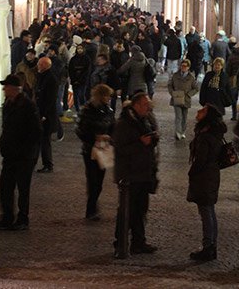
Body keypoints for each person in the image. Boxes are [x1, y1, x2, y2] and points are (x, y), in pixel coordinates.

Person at [113, 92, 159, 259]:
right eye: (146, 106)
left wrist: (153, 139)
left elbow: (148, 138)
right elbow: (120, 149)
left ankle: (139, 242)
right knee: (126, 211)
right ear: (137, 105)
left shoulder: (144, 119)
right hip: (130, 174)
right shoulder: (124, 123)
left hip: (144, 173)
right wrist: (141, 142)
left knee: (140, 210)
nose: (149, 109)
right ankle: (120, 243)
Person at [0, 73, 43, 231]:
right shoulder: (8, 104)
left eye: (6, 86)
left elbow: (36, 131)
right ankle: (7, 217)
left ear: (14, 88)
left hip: (24, 156)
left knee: (23, 188)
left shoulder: (27, 105)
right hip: (10, 154)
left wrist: (26, 150)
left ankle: (23, 219)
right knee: (5, 187)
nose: (3, 89)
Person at [187, 104, 226, 262]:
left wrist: (192, 173)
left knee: (206, 212)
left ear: (207, 116)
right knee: (209, 210)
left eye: (202, 111)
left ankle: (208, 247)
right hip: (211, 175)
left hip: (205, 177)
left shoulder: (206, 135)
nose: (198, 111)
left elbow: (201, 159)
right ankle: (211, 246)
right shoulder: (213, 132)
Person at [76, 84, 116, 221]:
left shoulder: (108, 111)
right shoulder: (88, 110)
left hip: (104, 148)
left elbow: (113, 127)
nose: (109, 99)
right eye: (107, 96)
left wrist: (109, 137)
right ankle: (91, 208)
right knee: (92, 179)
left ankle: (93, 205)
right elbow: (81, 130)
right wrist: (94, 138)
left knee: (99, 181)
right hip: (90, 149)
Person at [35, 57, 59, 173]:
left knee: (45, 140)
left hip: (47, 115)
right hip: (43, 113)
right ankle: (45, 163)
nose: (37, 66)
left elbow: (50, 99)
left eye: (39, 64)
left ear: (44, 65)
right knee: (43, 140)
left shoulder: (50, 79)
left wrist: (44, 114)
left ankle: (48, 164)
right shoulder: (44, 77)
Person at [167, 59, 200, 140]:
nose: (183, 67)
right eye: (182, 66)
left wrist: (189, 94)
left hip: (186, 99)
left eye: (185, 66)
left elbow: (196, 88)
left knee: (184, 117)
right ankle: (178, 132)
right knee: (178, 116)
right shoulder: (175, 75)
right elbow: (170, 85)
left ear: (188, 67)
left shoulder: (191, 77)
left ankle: (182, 132)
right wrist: (173, 93)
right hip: (177, 99)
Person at [68, 43, 92, 113]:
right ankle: (77, 109)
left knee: (82, 94)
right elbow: (70, 70)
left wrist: (80, 79)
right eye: (78, 48)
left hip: (83, 80)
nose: (79, 50)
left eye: (81, 48)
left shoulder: (87, 59)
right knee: (75, 95)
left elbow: (87, 71)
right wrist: (74, 79)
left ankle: (83, 109)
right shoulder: (73, 59)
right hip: (75, 80)